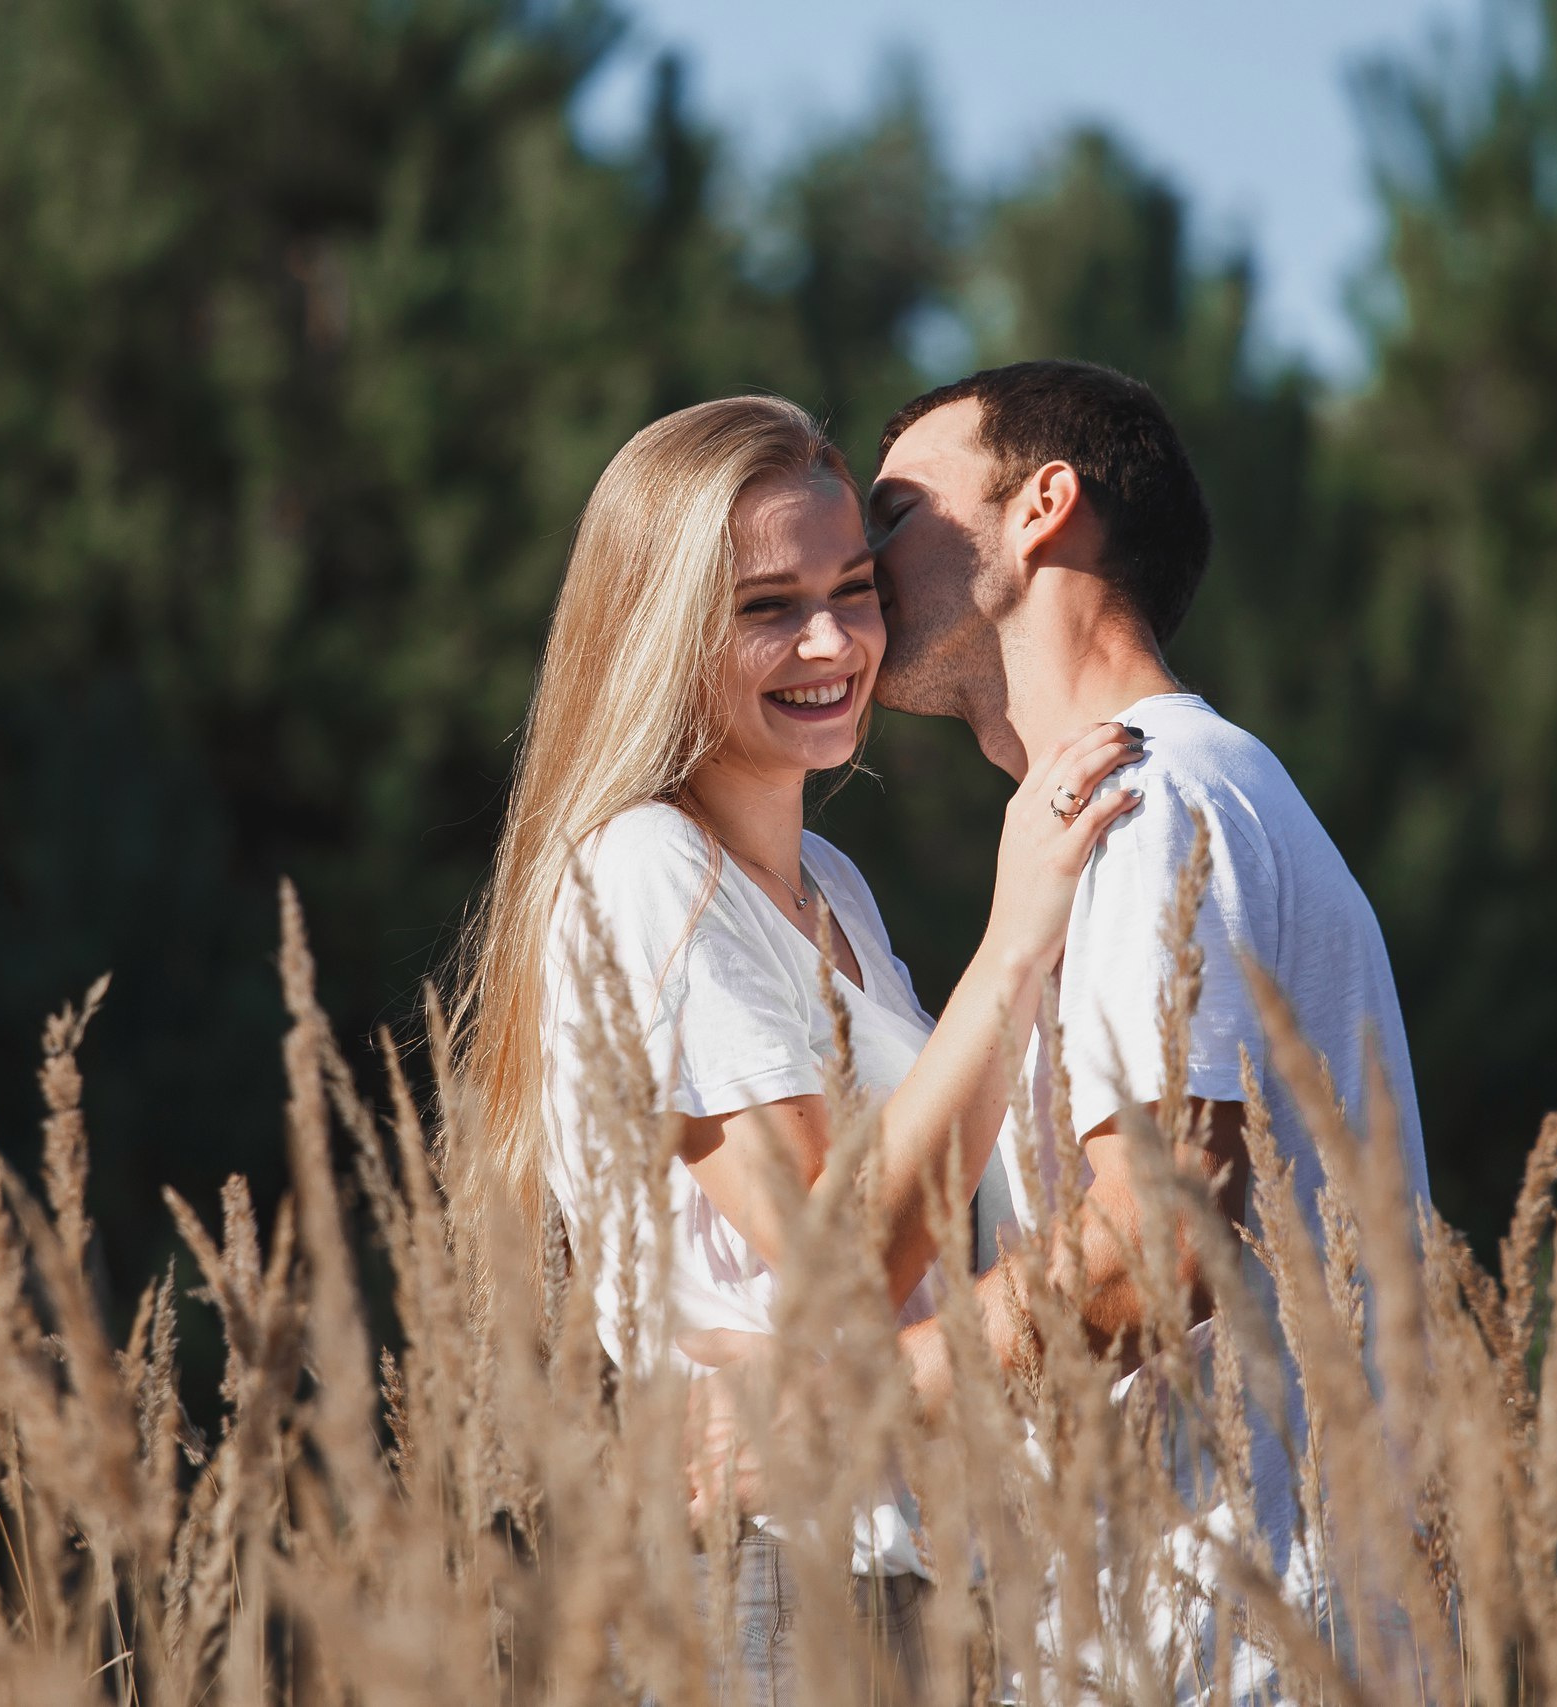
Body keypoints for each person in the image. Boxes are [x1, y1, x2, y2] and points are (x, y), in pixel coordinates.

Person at [452, 394, 1145, 1698]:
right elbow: (841, 1255)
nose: (833, 640)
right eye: (768, 605)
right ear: (662, 634)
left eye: (852, 588)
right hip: (768, 1576)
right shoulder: (648, 867)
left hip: (909, 1573)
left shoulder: (832, 883)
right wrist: (1017, 933)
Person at [864, 360, 1431, 1636]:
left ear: (1040, 505)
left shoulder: (1152, 798)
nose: (861, 557)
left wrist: (841, 1401)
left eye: (895, 511)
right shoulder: (1165, 798)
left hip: (1219, 1637)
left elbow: (1157, 1238)